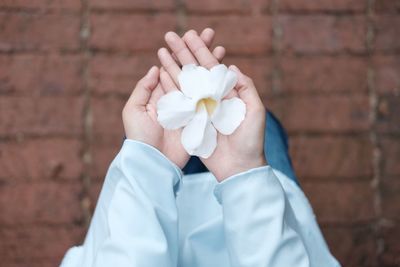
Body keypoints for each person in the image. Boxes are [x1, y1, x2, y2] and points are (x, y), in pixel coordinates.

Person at [60, 29, 340, 267]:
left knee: (157, 130)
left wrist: (149, 166)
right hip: (251, 212)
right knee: (262, 128)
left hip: (150, 205)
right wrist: (243, 172)